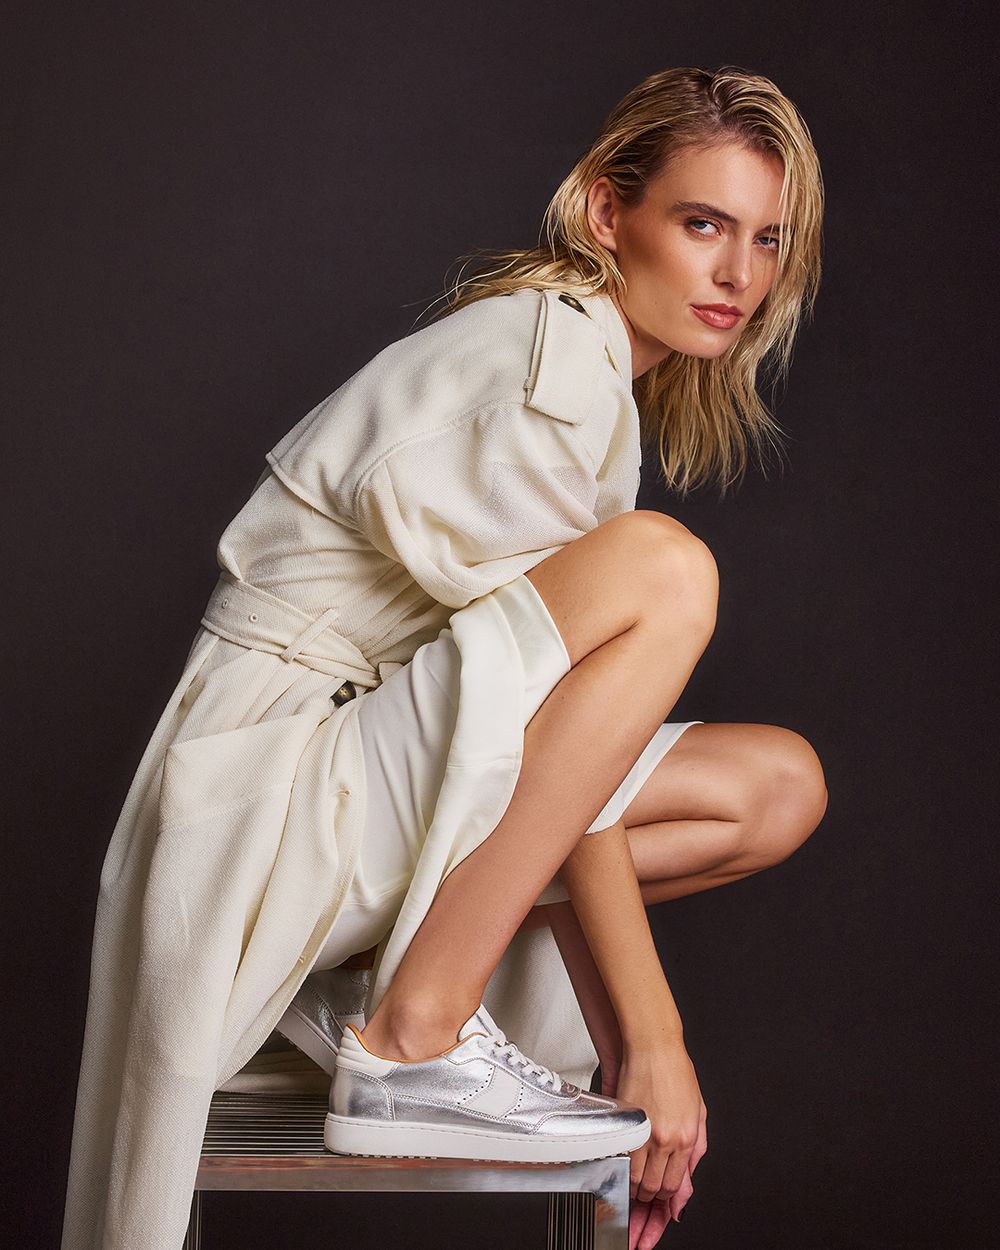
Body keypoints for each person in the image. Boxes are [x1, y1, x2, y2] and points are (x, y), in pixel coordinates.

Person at [61, 65, 828, 1250]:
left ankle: (390, 978)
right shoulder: (543, 360)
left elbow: (552, 759)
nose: (738, 273)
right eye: (701, 224)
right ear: (605, 211)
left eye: (766, 239)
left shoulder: (589, 375)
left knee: (772, 786)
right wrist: (650, 1039)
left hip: (354, 783)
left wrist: (635, 1041)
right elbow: (543, 746)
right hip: (264, 797)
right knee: (666, 569)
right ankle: (414, 1030)